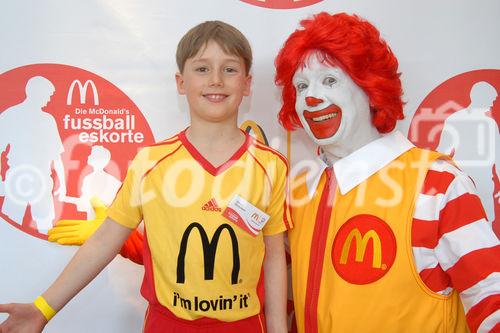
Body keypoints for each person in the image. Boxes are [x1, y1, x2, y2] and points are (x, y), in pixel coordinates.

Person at [0, 20, 291, 333]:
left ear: (247, 84)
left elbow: (274, 256)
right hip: (167, 325)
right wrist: (43, 309)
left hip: (245, 326)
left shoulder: (270, 165)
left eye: (230, 69)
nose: (216, 80)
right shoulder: (150, 162)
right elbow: (104, 240)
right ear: (181, 82)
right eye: (202, 69)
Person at [275, 12, 500, 333]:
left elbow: (490, 296)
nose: (310, 97)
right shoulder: (299, 191)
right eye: (300, 85)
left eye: (330, 80)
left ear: (370, 87)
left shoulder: (435, 184)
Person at [0, 76, 66, 233]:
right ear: (36, 93)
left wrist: (62, 183)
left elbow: (56, 156)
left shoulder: (48, 120)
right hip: (18, 179)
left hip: (41, 179)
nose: (49, 99)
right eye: (48, 95)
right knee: (10, 224)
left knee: (45, 226)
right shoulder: (11, 115)